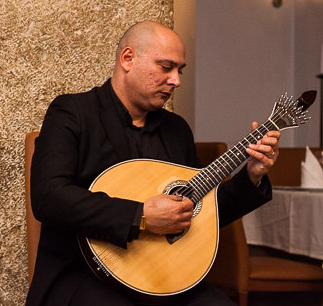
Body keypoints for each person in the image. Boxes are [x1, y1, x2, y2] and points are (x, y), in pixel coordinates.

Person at [26, 20, 280, 305]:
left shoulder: (176, 129)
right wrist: (141, 215)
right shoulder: (72, 113)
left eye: (180, 71)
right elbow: (49, 197)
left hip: (163, 277)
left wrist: (252, 177)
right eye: (166, 67)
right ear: (128, 59)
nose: (176, 81)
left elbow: (202, 211)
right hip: (84, 274)